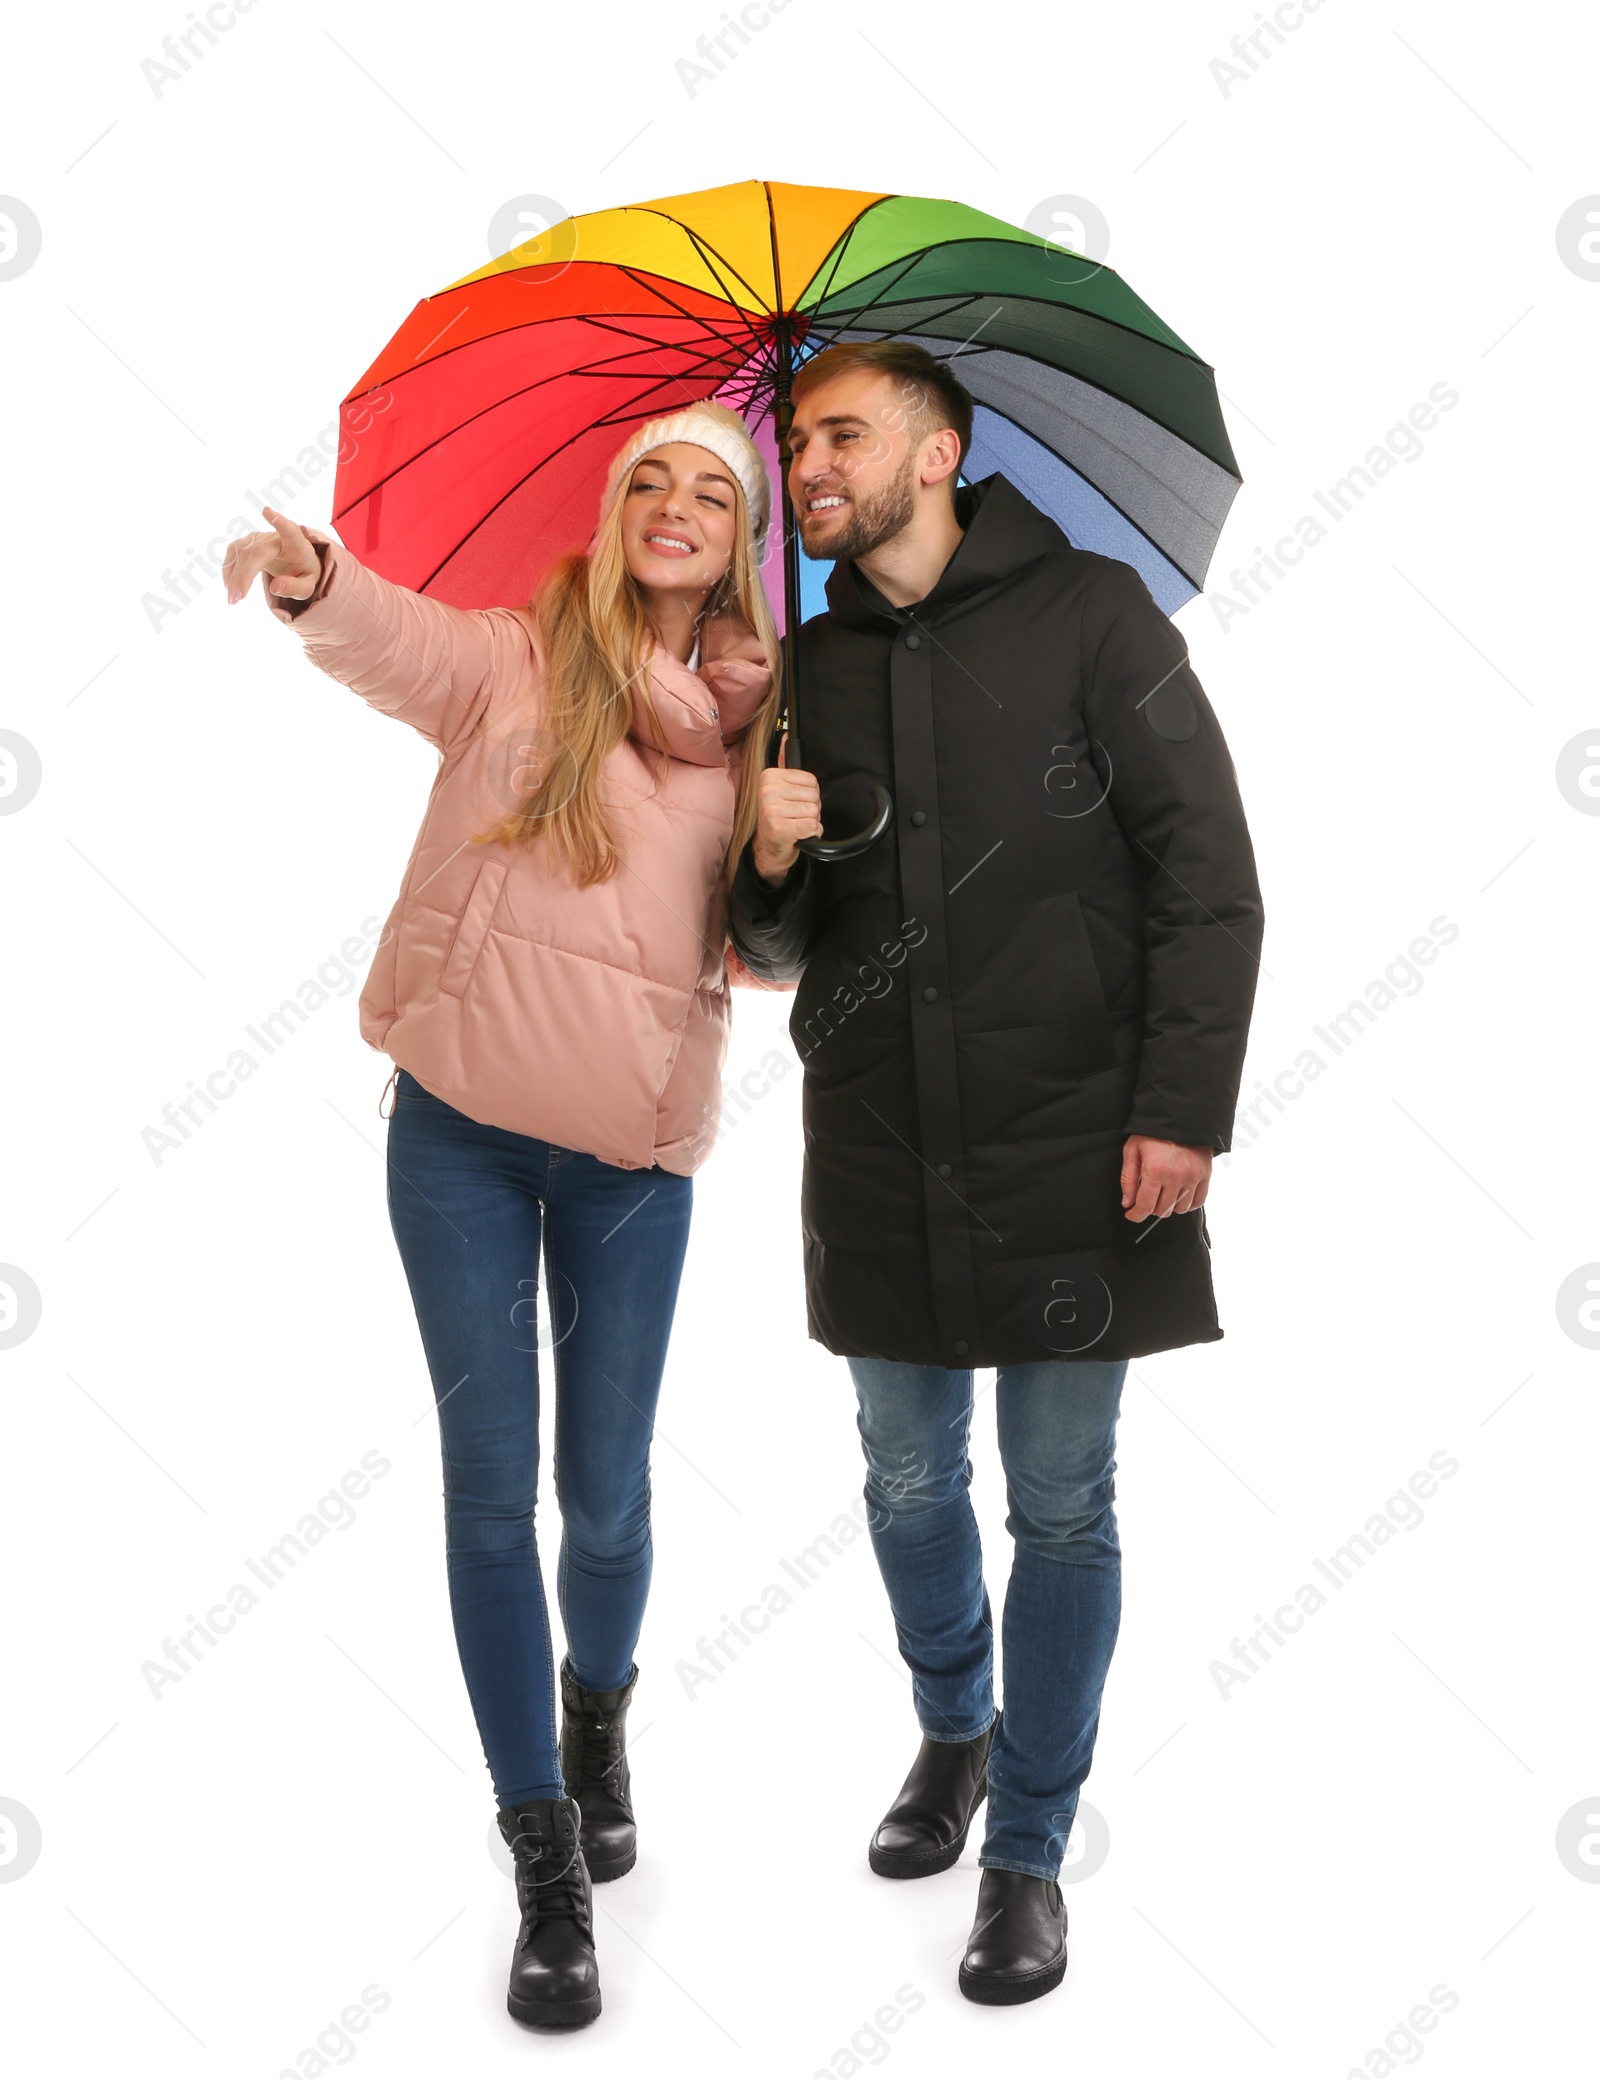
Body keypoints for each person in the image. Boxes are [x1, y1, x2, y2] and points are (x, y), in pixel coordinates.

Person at [222, 402, 780, 2032]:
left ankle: (596, 1722)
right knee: (489, 1496)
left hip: (629, 1169)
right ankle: (544, 1858)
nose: (674, 504)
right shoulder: (513, 661)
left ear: (742, 546)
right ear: (611, 516)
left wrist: (804, 837)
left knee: (601, 1500)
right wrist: (321, 578)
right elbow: (393, 642)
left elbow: (786, 949)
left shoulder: (769, 726)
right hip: (457, 1144)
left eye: (709, 492)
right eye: (647, 481)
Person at [731, 340, 1264, 2006]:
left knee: (1061, 1502)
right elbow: (770, 944)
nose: (808, 465)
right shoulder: (805, 664)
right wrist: (767, 853)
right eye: (798, 440)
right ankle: (954, 1730)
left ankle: (1029, 1847)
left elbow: (1210, 880)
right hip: (882, 1149)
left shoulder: (1098, 616)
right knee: (902, 1481)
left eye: (840, 434)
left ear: (939, 450)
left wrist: (1181, 1109)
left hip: (1077, 1147)